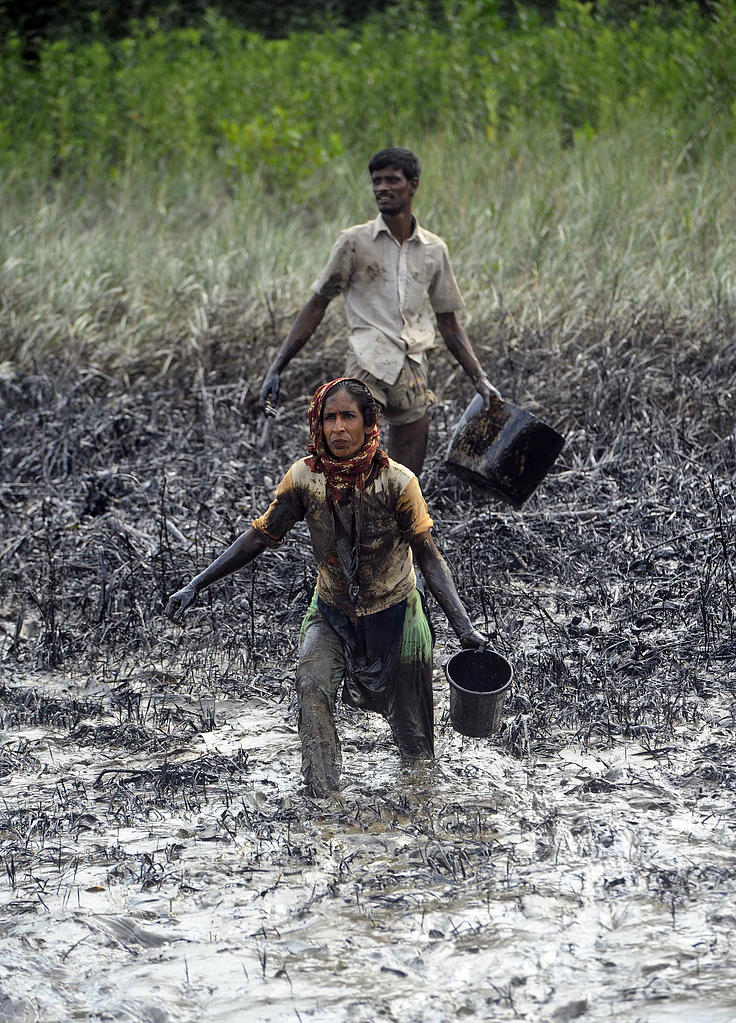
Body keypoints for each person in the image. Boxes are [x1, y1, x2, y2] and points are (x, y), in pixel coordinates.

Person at [166, 377, 487, 799]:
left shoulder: (398, 482)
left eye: (347, 417)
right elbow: (261, 536)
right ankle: (322, 801)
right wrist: (195, 584)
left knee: (414, 742)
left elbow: (428, 556)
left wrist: (464, 628)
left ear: (368, 422)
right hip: (332, 612)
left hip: (397, 615)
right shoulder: (303, 478)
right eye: (328, 417)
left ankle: (418, 806)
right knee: (311, 687)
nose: (337, 428)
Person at [258, 147, 499, 477]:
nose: (382, 188)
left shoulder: (433, 250)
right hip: (366, 364)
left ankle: (398, 526)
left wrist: (480, 379)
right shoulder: (354, 242)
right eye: (376, 181)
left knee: (405, 479)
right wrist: (277, 366)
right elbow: (316, 305)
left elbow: (450, 323)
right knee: (348, 463)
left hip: (412, 368)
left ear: (412, 185)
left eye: (392, 181)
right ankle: (347, 524)